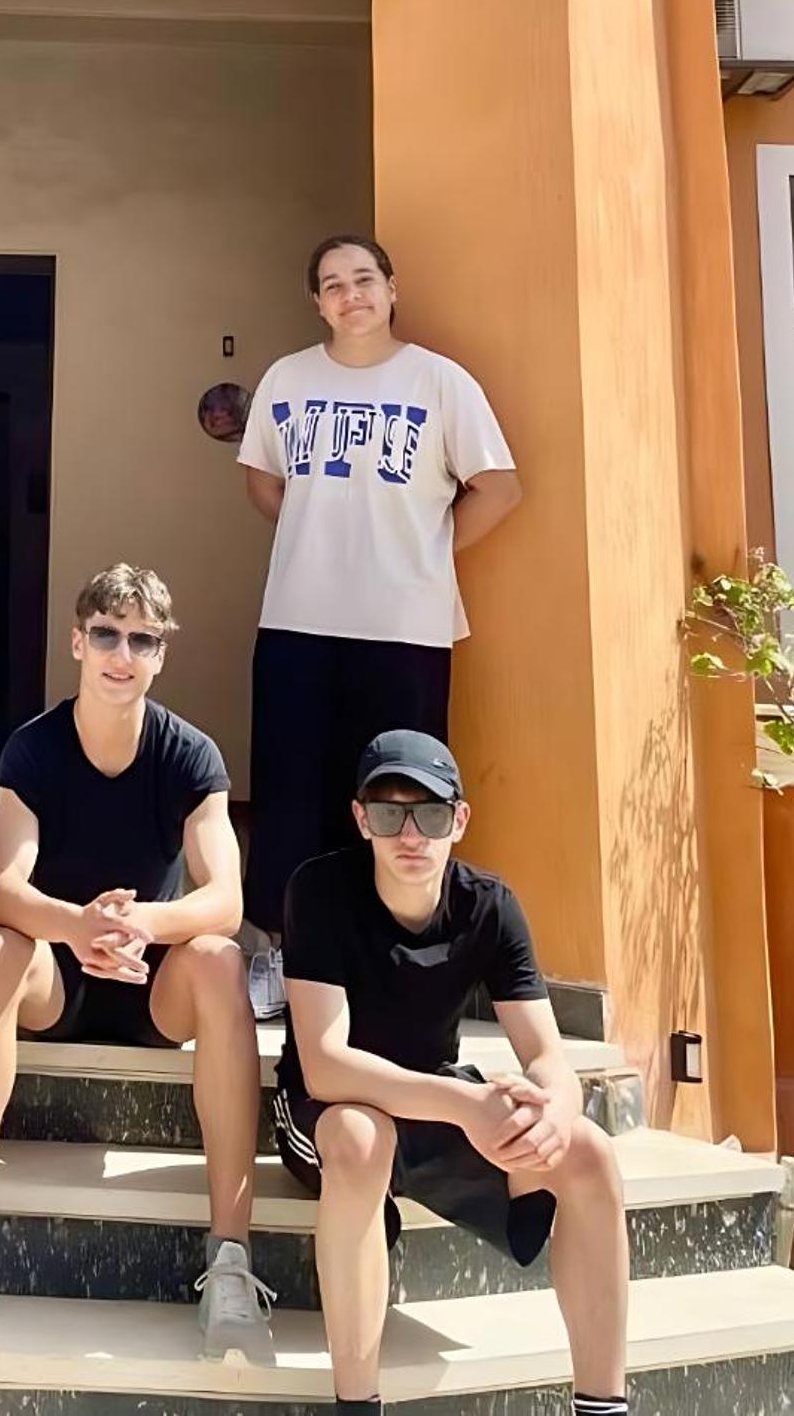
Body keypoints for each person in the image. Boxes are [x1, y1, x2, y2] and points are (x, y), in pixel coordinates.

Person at [0, 564, 273, 1365]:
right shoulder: (34, 748)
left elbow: (225, 898)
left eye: (142, 640)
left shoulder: (190, 754)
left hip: (152, 982)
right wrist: (78, 927)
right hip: (57, 978)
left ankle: (231, 1263)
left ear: (161, 653)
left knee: (217, 960)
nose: (121, 655)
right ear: (77, 641)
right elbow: (1, 889)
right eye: (106, 634)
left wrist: (136, 925)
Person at [276, 730, 628, 1416]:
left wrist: (558, 1110)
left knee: (590, 1152)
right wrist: (466, 1106)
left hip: (432, 1097)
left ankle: (603, 1407)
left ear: (459, 820)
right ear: (361, 820)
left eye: (431, 815)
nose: (410, 835)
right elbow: (325, 1066)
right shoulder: (319, 890)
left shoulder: (489, 905)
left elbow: (546, 1055)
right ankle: (357, 1405)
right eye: (389, 813)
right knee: (360, 1136)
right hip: (334, 1110)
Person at [238, 233, 520, 1016]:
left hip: (405, 628)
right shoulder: (288, 379)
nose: (350, 294)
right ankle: (283, 950)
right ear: (316, 301)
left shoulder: (438, 381)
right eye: (332, 283)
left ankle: (386, 958)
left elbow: (500, 488)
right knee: (291, 790)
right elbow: (261, 480)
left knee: (399, 797)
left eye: (364, 278)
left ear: (392, 289)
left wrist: (424, 548)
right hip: (298, 619)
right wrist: (321, 537)